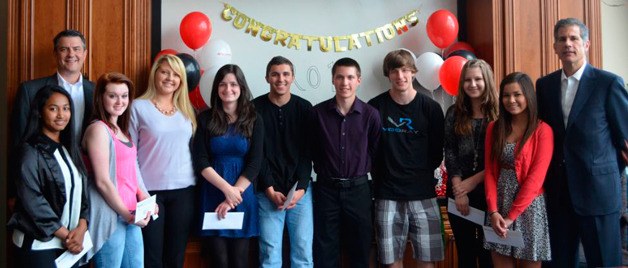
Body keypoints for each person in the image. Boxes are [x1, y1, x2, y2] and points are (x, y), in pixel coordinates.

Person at [536, 18, 628, 267]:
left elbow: (625, 142)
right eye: (562, 39)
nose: (568, 44)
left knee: (603, 262)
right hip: (558, 194)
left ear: (586, 44)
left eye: (574, 38)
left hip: (599, 193)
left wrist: (603, 171)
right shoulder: (544, 86)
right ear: (554, 46)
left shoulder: (609, 83)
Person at [368, 50, 445, 268]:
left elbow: (436, 151)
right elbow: (370, 149)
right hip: (387, 193)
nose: (400, 76)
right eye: (395, 71)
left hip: (423, 193)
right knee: (391, 260)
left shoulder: (430, 108)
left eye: (405, 70)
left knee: (427, 260)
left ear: (413, 72)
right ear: (388, 74)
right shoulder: (375, 107)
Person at [310, 57, 382, 268]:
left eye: (350, 77)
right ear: (333, 80)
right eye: (340, 77)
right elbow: (311, 150)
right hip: (326, 190)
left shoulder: (371, 115)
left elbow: (376, 154)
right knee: (325, 250)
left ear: (358, 80)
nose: (345, 82)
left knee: (360, 250)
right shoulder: (317, 114)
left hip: (359, 191)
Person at [8, 84, 89, 267]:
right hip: (39, 244)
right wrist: (67, 235)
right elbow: (33, 201)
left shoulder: (70, 149)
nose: (61, 115)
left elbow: (83, 195)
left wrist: (82, 228)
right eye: (53, 109)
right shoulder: (30, 151)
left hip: (72, 242)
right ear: (40, 112)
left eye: (66, 108)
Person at [192, 64, 264, 268]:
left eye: (233, 84)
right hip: (212, 192)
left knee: (240, 261)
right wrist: (227, 191)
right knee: (218, 261)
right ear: (216, 88)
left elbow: (255, 162)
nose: (228, 89)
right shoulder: (205, 118)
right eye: (222, 84)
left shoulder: (254, 119)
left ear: (241, 87)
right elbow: (201, 161)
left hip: (243, 194)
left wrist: (234, 196)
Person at [130, 54, 198, 268]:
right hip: (149, 194)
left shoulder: (187, 111)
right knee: (151, 258)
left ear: (182, 80)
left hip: (184, 193)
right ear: (155, 74)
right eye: (165, 72)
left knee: (176, 257)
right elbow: (129, 155)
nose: (170, 78)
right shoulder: (137, 107)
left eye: (176, 74)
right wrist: (141, 192)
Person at [9, 29, 94, 198]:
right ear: (55, 54)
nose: (71, 54)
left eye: (76, 49)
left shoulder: (97, 91)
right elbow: (17, 143)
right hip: (43, 178)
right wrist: (13, 191)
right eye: (64, 49)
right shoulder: (30, 90)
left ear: (84, 54)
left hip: (88, 178)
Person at [82, 72, 154, 267]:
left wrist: (145, 197)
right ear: (101, 98)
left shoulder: (122, 130)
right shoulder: (98, 129)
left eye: (124, 95)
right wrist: (127, 215)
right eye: (112, 95)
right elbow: (102, 182)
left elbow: (131, 172)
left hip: (131, 215)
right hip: (111, 216)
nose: (119, 101)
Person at [484, 72, 553, 267]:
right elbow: (489, 171)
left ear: (528, 96)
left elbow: (535, 180)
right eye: (506, 95)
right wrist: (494, 212)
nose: (511, 100)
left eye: (517, 94)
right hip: (498, 207)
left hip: (530, 209)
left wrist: (511, 217)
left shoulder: (542, 130)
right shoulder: (494, 128)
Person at [254, 56, 314, 268]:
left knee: (303, 253)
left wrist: (301, 189)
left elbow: (308, 154)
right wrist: (269, 189)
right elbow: (256, 155)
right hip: (266, 192)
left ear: (293, 78)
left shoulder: (305, 108)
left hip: (300, 194)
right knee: (269, 255)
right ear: (267, 77)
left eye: (286, 74)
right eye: (275, 74)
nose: (281, 79)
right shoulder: (254, 109)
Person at [444, 59, 498, 268]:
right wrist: (459, 190)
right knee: (465, 254)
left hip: (490, 191)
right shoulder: (453, 113)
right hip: (459, 192)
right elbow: (450, 151)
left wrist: (473, 182)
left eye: (478, 79)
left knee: (488, 254)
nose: (472, 84)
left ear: (487, 81)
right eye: (467, 80)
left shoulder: (499, 114)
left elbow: (500, 158)